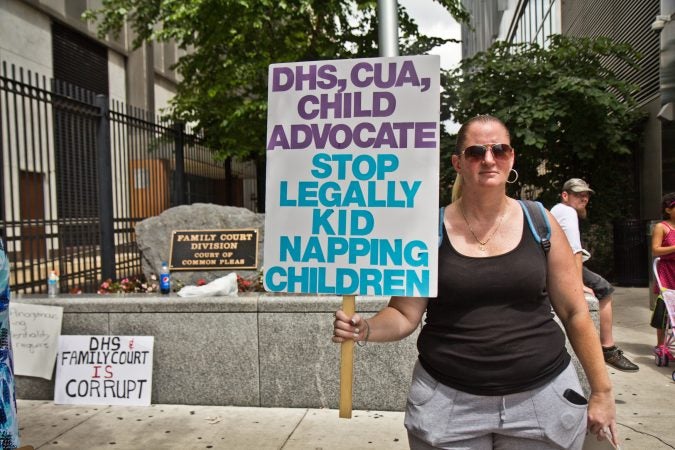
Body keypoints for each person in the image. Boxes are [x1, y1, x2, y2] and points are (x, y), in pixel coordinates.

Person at [332, 115, 617, 449]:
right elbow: (405, 314)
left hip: (542, 401)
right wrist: (364, 329)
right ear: (458, 162)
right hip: (447, 405)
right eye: (475, 152)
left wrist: (602, 391)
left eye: (500, 149)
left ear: (511, 157)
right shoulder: (427, 230)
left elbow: (575, 312)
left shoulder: (540, 221)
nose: (489, 159)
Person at [551, 178, 639, 373]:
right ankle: (608, 347)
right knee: (604, 288)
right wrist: (578, 282)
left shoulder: (559, 210)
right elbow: (575, 249)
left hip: (554, 262)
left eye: (586, 195)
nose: (584, 198)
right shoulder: (567, 212)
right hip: (560, 264)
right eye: (578, 194)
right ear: (565, 195)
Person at [650, 192, 675, 360]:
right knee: (665, 307)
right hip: (667, 271)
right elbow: (656, 250)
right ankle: (661, 345)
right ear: (668, 209)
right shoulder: (662, 227)